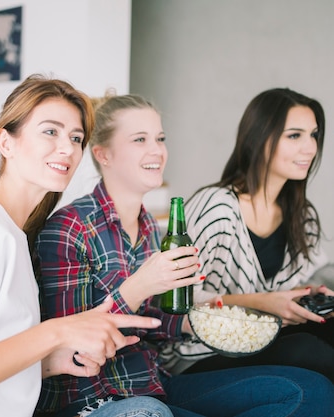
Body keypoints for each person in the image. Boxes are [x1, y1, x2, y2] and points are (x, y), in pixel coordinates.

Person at [34, 92, 334, 417]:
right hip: (99, 399)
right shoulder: (69, 228)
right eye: (140, 139)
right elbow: (72, 345)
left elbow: (154, 323)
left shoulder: (148, 225)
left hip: (154, 383)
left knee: (311, 392)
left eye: (160, 138)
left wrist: (202, 321)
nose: (157, 150)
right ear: (103, 154)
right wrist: (141, 285)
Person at [0, 74, 172, 417]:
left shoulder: (15, 234)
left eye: (76, 138)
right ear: (6, 143)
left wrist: (50, 362)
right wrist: (56, 332)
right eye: (50, 131)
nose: (68, 148)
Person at [180, 87, 334, 381]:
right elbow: (176, 298)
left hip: (262, 342)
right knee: (310, 352)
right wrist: (263, 302)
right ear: (259, 138)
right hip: (200, 354)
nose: (310, 148)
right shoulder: (216, 207)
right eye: (294, 135)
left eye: (313, 135)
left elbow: (297, 286)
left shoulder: (302, 216)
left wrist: (306, 296)